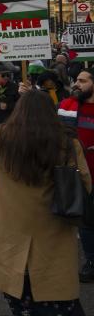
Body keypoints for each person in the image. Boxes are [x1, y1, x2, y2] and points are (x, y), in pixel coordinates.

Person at [0, 90, 90, 313]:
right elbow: (86, 185)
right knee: (58, 301)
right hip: (53, 230)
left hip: (10, 232)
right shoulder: (67, 143)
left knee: (19, 298)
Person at [58, 67, 94, 283]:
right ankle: (91, 260)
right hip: (79, 175)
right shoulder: (67, 106)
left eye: (82, 80)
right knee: (87, 222)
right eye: (76, 80)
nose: (77, 84)